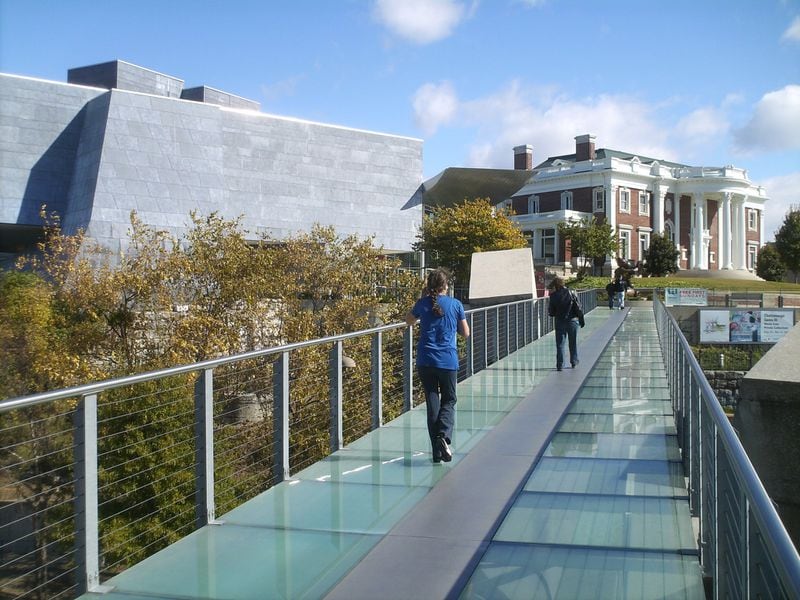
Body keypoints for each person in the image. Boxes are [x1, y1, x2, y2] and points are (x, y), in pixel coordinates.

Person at [406, 269, 470, 464]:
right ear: (445, 286)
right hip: (447, 360)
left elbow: (408, 321)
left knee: (432, 403)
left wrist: (421, 305)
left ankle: (436, 453)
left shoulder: (422, 304)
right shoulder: (455, 304)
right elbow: (465, 333)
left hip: (425, 360)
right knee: (449, 399)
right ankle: (443, 435)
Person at [547, 276, 582, 371]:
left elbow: (551, 312)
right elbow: (579, 306)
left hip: (560, 321)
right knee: (573, 342)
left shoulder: (553, 296)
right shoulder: (572, 292)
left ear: (555, 285)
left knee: (560, 344)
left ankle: (560, 364)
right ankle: (574, 361)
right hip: (573, 320)